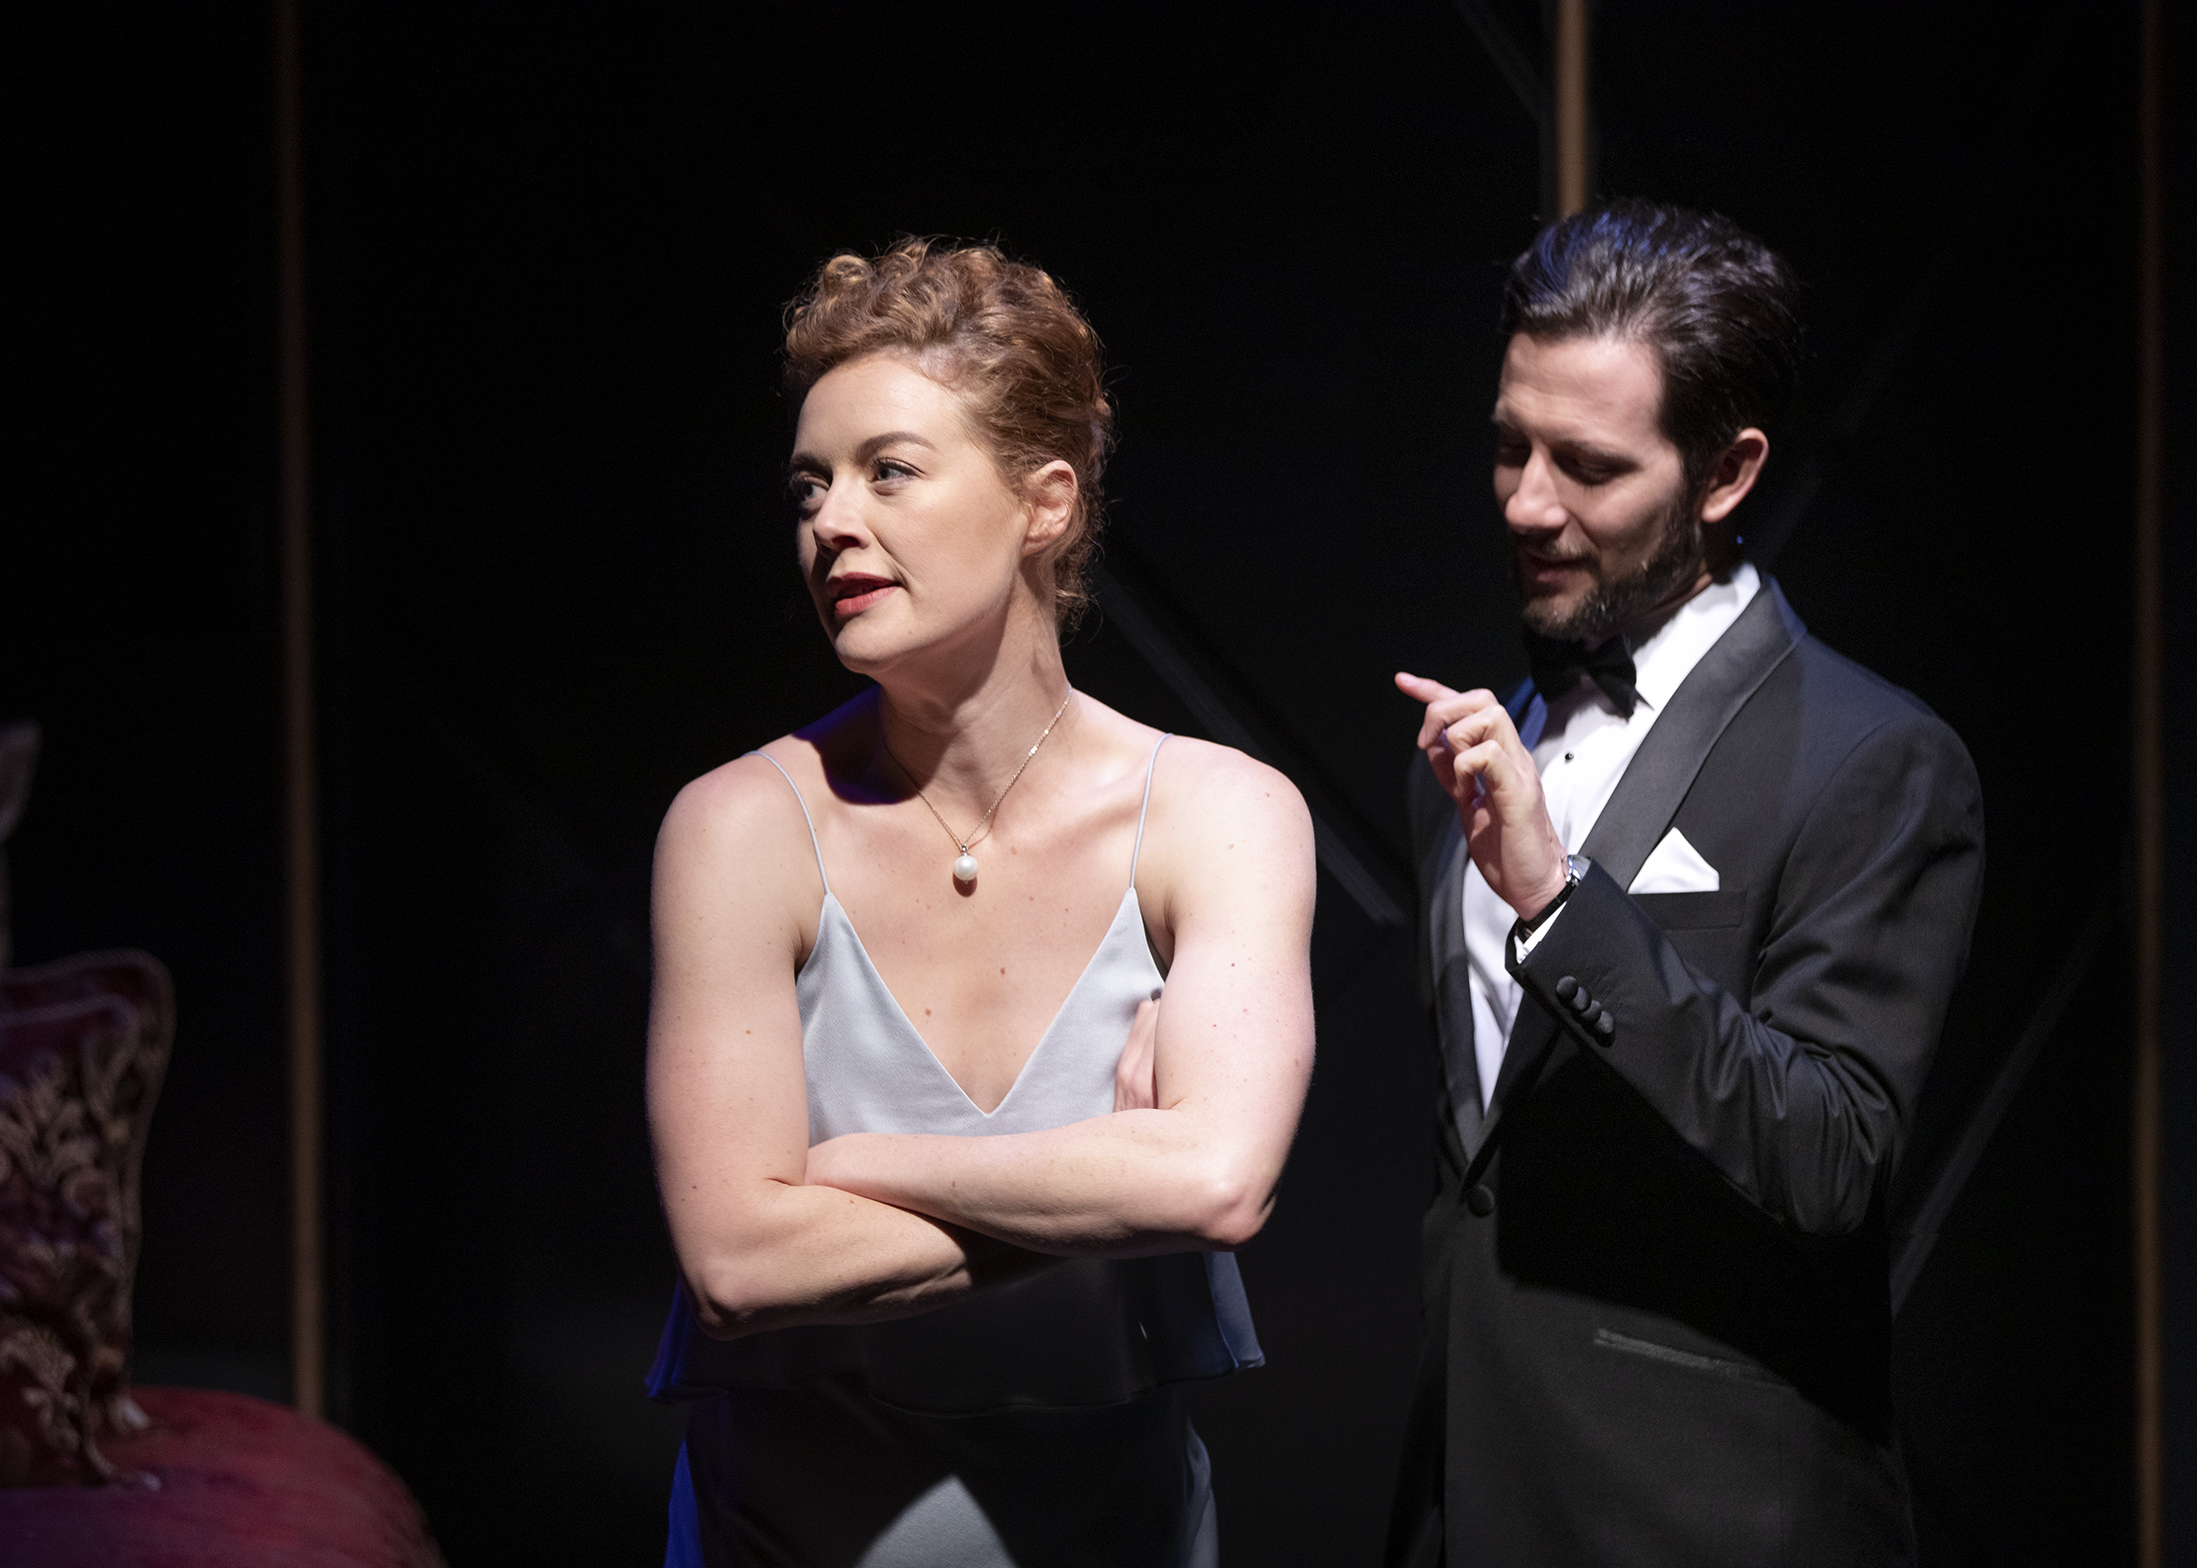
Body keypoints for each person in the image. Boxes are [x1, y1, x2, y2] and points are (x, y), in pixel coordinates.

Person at [644, 239, 1316, 1568]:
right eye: (810, 485)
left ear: (1042, 504)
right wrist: (1110, 1187)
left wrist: (856, 1170)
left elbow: (1217, 1181)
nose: (832, 521)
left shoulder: (1220, 813)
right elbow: (737, 1263)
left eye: (888, 470)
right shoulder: (738, 829)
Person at [1385, 201, 1984, 1567]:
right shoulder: (1489, 740)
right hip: (1466, 1492)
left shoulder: (1874, 759)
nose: (1526, 502)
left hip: (1705, 1518)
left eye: (1589, 466)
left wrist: (1560, 906)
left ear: (1726, 474)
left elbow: (1831, 1156)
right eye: (1510, 445)